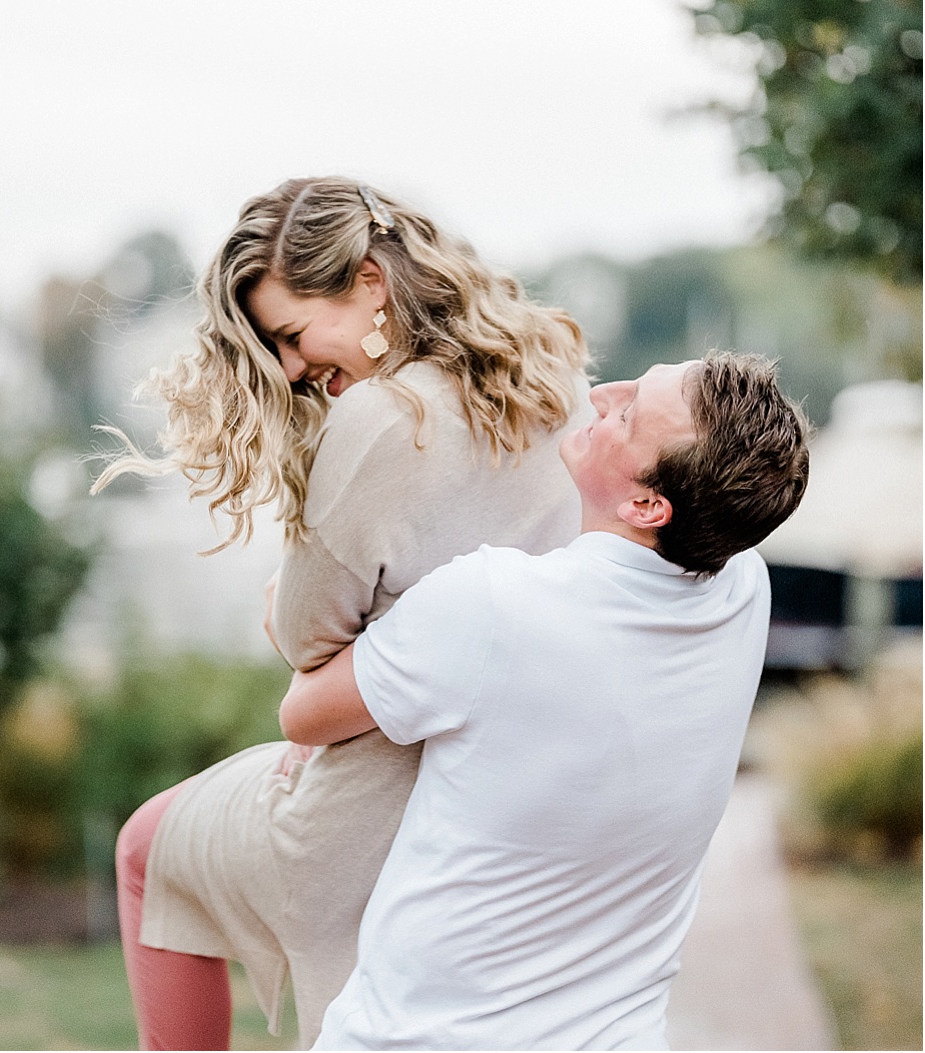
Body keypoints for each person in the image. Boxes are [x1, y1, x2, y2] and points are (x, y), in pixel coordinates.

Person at [95, 175, 590, 1050]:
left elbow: (302, 636)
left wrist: (283, 610)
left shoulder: (380, 416)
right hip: (510, 795)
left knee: (146, 849)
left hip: (370, 808)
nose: (288, 369)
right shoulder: (555, 380)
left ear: (369, 281)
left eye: (289, 334)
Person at [280, 352, 810, 1052]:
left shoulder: (490, 605)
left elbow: (303, 712)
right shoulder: (742, 588)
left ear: (647, 505)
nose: (598, 395)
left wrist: (280, 605)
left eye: (627, 414)